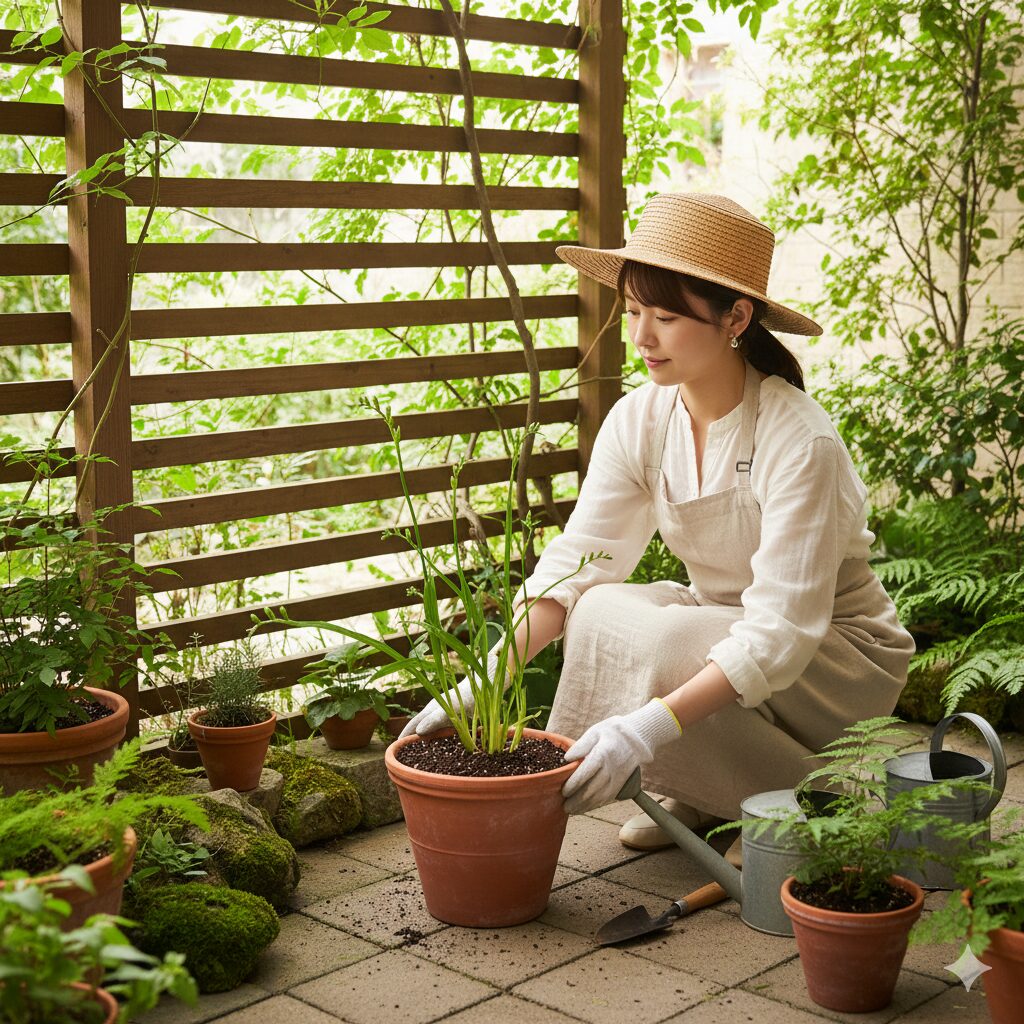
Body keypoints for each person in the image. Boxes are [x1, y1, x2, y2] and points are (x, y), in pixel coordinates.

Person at [403, 192, 915, 858]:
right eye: (635, 310)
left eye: (667, 317)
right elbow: (581, 560)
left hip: (833, 656)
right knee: (598, 612)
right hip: (719, 623)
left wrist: (640, 732)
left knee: (674, 640)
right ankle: (707, 794)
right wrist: (484, 678)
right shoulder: (642, 418)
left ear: (736, 317)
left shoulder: (798, 439)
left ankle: (801, 803)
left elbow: (781, 631)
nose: (641, 338)